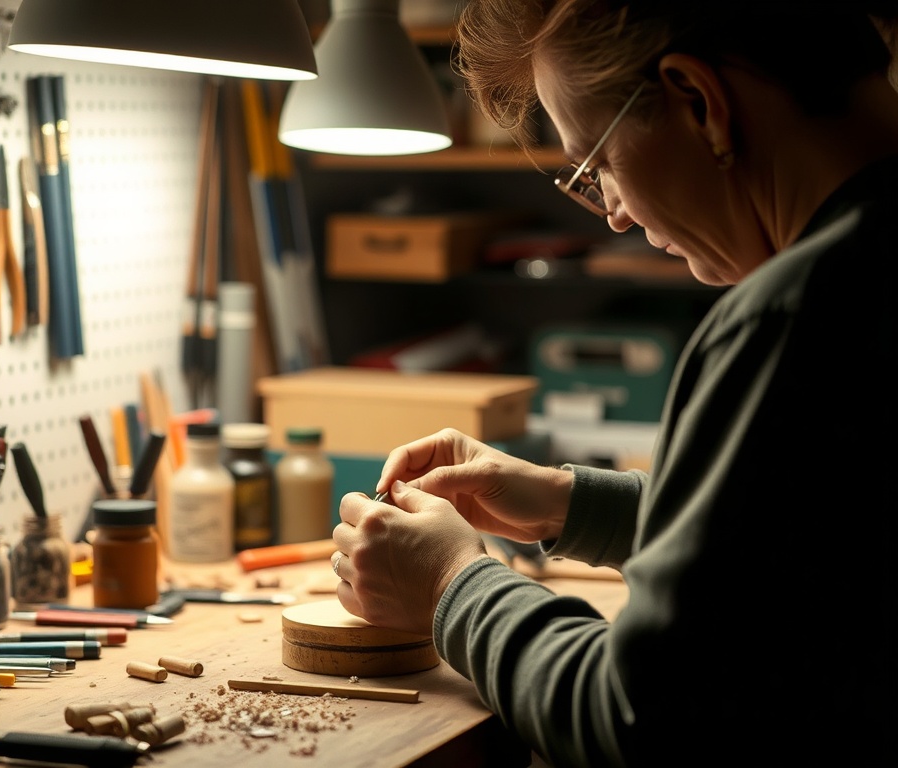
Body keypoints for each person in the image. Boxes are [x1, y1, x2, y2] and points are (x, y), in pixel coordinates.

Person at [330, 1, 898, 765]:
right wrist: (570, 503)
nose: (616, 216)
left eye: (595, 165)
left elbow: (641, 721)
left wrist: (447, 584)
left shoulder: (796, 316)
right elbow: (809, 546)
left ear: (698, 103)